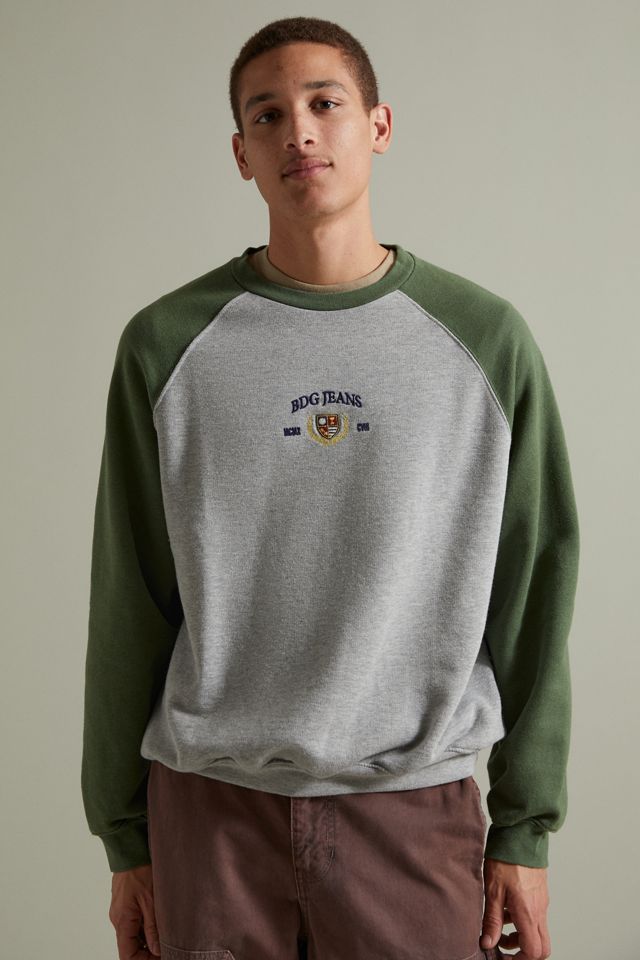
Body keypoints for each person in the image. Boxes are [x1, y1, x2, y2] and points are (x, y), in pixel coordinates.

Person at [81, 15, 580, 960]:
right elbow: (129, 599)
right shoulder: (167, 345)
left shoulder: (485, 340)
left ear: (378, 126)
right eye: (267, 115)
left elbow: (534, 593)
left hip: (413, 811)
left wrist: (526, 825)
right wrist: (124, 836)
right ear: (241, 153)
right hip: (210, 813)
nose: (298, 133)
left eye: (325, 103)